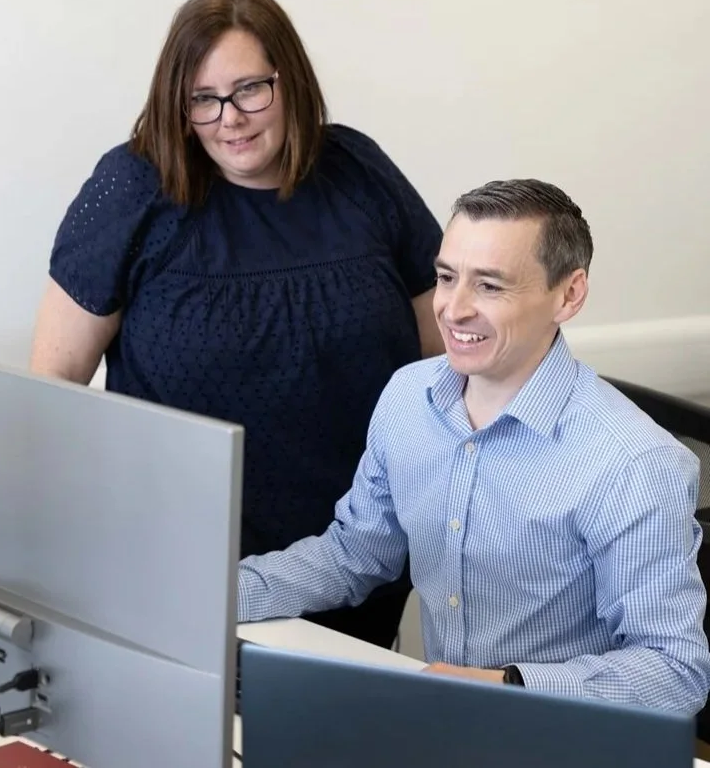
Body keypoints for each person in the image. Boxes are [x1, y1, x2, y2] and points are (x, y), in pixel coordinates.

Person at [29, 0, 444, 650]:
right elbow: (52, 390)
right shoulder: (133, 188)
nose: (230, 116)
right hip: (183, 580)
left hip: (356, 567)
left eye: (250, 89)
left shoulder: (358, 173)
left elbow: (441, 361)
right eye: (203, 99)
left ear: (290, 83)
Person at [237, 178, 710, 714]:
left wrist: (507, 687)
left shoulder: (634, 463)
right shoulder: (408, 396)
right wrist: (216, 594)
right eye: (446, 277)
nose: (453, 310)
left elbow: (674, 670)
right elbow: (355, 553)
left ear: (569, 294)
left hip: (562, 739)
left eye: (489, 286)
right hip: (443, 724)